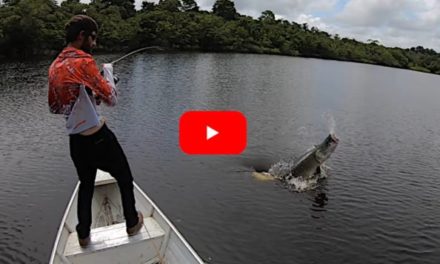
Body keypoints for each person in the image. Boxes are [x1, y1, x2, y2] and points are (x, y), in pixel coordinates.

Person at [48, 15, 143, 247]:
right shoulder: (83, 61)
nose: (95, 44)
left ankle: (83, 234)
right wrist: (108, 74)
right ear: (82, 36)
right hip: (99, 139)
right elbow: (111, 99)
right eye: (93, 38)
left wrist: (89, 96)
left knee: (86, 184)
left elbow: (56, 107)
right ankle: (132, 222)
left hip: (76, 143)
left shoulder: (55, 66)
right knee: (124, 177)